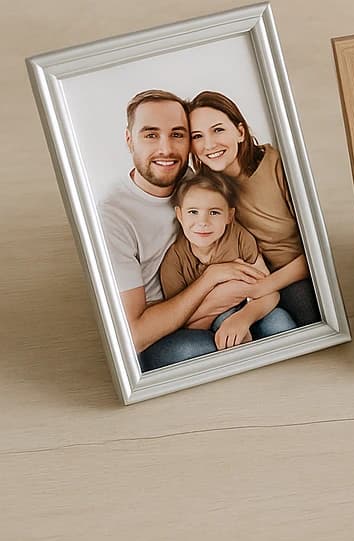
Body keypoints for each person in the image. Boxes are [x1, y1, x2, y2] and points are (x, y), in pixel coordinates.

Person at [98, 89, 268, 372]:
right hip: (160, 335)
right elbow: (134, 336)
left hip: (222, 304)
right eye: (151, 135)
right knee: (233, 348)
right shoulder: (112, 217)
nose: (166, 149)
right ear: (129, 140)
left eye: (177, 134)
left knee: (281, 322)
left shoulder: (194, 184)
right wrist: (210, 280)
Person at [187, 91, 321, 328]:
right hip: (250, 282)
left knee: (306, 302)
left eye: (218, 130)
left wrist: (264, 287)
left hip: (298, 273)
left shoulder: (277, 165)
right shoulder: (205, 192)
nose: (209, 144)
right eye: (197, 136)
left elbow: (318, 248)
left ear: (240, 132)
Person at [159, 173, 295, 350]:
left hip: (251, 309)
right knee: (233, 340)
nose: (203, 222)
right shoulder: (174, 261)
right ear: (179, 214)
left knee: (279, 321)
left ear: (229, 216)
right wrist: (220, 312)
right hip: (208, 323)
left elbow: (269, 292)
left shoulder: (239, 237)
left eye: (214, 212)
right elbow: (180, 320)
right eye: (193, 212)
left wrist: (242, 318)